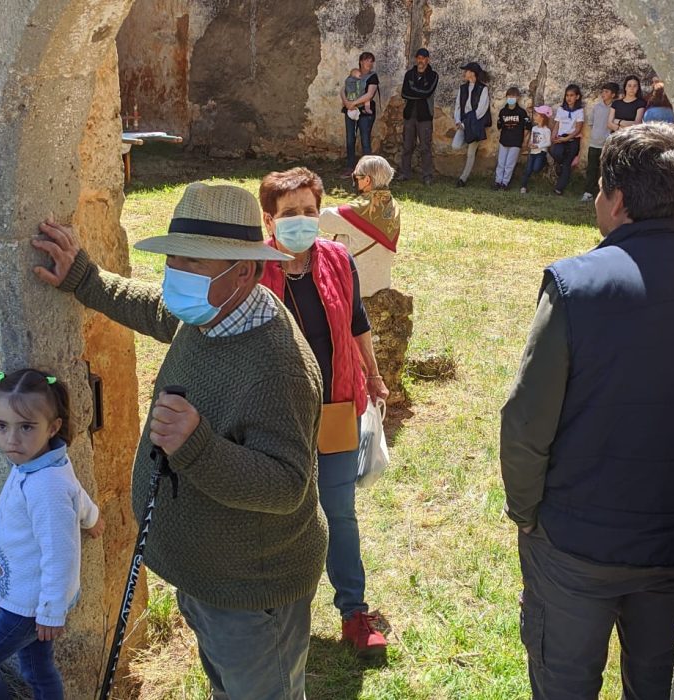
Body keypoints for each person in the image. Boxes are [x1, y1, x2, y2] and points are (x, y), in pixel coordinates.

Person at [32, 183, 327, 699]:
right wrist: (83, 277)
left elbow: (287, 486)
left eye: (195, 263)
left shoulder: (279, 365)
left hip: (250, 594)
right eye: (175, 260)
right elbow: (155, 309)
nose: (177, 276)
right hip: (205, 576)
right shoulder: (211, 312)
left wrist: (198, 447)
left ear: (244, 271)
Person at [500, 123, 674, 700]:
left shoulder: (577, 283)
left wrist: (525, 511)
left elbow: (526, 419)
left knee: (565, 684)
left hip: (577, 541)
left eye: (599, 189)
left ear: (616, 200)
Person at [257, 167, 391, 659]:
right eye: (289, 214)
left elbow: (356, 321)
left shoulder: (337, 258)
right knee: (278, 514)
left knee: (338, 512)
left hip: (335, 407)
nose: (301, 221)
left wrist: (373, 376)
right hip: (276, 415)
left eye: (309, 212)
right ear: (269, 219)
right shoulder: (255, 267)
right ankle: (271, 610)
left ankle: (354, 612)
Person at [0, 369, 104, 699]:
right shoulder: (41, 462)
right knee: (38, 670)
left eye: (26, 427)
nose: (11, 439)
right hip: (27, 597)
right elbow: (75, 492)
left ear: (52, 427)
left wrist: (52, 611)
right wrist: (90, 515)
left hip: (30, 606)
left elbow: (60, 554)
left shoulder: (45, 485)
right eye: (2, 426)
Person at [319, 155, 402, 297]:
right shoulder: (391, 203)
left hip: (356, 286)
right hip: (381, 282)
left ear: (367, 180)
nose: (355, 180)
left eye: (357, 177)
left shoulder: (361, 210)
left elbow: (322, 220)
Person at [399, 48, 439, 184]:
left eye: (423, 58)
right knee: (407, 146)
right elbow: (404, 93)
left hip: (425, 116)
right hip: (409, 115)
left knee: (425, 147)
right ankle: (405, 173)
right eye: (419, 58)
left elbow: (427, 92)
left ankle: (427, 176)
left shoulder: (433, 75)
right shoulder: (409, 74)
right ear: (416, 59)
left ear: (428, 59)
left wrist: (413, 89)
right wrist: (418, 92)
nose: (421, 60)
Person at [452, 61, 491, 188]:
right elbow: (458, 106)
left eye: (466, 71)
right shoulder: (462, 88)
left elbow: (481, 110)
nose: (465, 73)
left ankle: (463, 179)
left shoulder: (483, 89)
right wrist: (458, 121)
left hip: (475, 124)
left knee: (470, 153)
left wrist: (467, 124)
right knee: (456, 145)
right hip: (463, 123)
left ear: (472, 73)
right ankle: (471, 140)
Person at [342, 51, 380, 176]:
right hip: (350, 110)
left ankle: (367, 170)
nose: (370, 63)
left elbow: (369, 94)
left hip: (365, 112)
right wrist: (347, 102)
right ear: (361, 61)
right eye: (367, 60)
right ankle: (350, 166)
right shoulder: (353, 74)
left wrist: (354, 103)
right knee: (350, 139)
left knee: (365, 140)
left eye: (371, 61)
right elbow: (343, 89)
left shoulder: (373, 77)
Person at [581, 82, 618, 203]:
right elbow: (591, 122)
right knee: (591, 168)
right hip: (594, 142)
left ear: (613, 94)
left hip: (607, 143)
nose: (604, 94)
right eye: (603, 91)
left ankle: (605, 194)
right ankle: (588, 192)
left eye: (607, 92)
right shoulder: (597, 107)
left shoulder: (615, 108)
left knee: (605, 169)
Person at [550, 84, 585, 195]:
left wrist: (566, 139)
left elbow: (578, 129)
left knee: (567, 164)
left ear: (577, 97)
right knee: (555, 152)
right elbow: (557, 124)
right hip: (561, 137)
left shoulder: (579, 111)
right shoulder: (561, 109)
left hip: (572, 139)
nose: (569, 98)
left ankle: (559, 188)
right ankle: (559, 164)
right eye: (567, 95)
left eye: (572, 95)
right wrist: (553, 136)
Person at [494, 87, 531, 190]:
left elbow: (527, 127)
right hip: (504, 141)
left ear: (518, 98)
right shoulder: (503, 112)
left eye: (514, 96)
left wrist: (524, 140)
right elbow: (499, 126)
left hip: (516, 142)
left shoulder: (522, 112)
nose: (511, 98)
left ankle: (505, 183)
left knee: (510, 164)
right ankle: (497, 181)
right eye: (510, 96)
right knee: (501, 163)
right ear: (506, 97)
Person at [519, 105, 554, 194]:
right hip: (533, 152)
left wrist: (538, 146)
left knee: (536, 168)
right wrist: (530, 144)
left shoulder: (547, 130)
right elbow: (532, 139)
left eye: (536, 115)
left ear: (542, 117)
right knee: (528, 169)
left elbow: (548, 143)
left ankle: (545, 159)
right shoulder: (534, 128)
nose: (534, 117)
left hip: (541, 152)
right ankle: (523, 186)